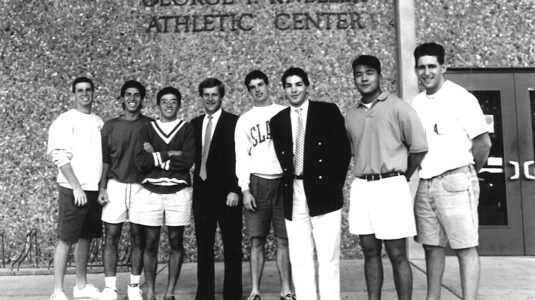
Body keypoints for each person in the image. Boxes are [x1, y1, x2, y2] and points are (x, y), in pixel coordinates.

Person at [412, 42, 492, 300]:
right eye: (421, 67)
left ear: (443, 67)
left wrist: (467, 172)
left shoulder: (461, 97)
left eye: (432, 66)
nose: (427, 72)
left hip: (456, 179)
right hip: (426, 183)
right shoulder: (417, 102)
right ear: (416, 70)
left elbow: (483, 143)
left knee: (465, 247)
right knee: (431, 247)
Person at [345, 55, 428, 300]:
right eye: (358, 74)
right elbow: (354, 151)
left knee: (397, 254)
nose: (364, 78)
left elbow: (419, 147)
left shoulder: (398, 107)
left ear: (380, 76)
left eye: (369, 72)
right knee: (369, 252)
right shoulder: (351, 115)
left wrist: (403, 176)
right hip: (362, 187)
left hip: (391, 185)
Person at [270, 67, 351, 300]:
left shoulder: (327, 111)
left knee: (328, 256)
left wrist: (334, 185)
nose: (294, 89)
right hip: (293, 192)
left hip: (324, 191)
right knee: (300, 256)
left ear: (307, 86)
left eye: (298, 84)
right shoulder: (277, 120)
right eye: (288, 85)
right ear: (284, 89)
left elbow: (343, 152)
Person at [235, 70, 294, 300]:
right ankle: (255, 291)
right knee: (256, 240)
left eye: (261, 84)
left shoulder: (283, 112)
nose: (258, 89)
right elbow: (241, 156)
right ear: (248, 91)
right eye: (252, 87)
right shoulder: (245, 120)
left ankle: (286, 289)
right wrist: (245, 188)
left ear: (268, 86)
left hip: (282, 181)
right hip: (258, 182)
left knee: (283, 239)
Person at [134, 86, 195, 300]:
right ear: (157, 105)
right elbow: (141, 162)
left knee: (176, 240)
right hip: (151, 192)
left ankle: (170, 292)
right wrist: (170, 154)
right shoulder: (148, 129)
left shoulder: (186, 129)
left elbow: (188, 160)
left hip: (178, 192)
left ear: (179, 104)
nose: (169, 105)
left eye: (173, 101)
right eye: (164, 101)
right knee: (150, 242)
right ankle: (150, 290)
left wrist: (158, 157)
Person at [47, 76, 104, 300]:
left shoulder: (99, 121)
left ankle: (81, 286)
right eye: (79, 90)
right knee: (66, 239)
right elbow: (59, 156)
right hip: (73, 190)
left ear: (93, 92)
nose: (84, 94)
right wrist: (76, 187)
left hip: (92, 189)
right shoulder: (65, 120)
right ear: (73, 94)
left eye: (88, 89)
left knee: (85, 238)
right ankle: (57, 291)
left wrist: (99, 188)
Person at [98, 80, 153, 300]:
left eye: (137, 95)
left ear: (142, 99)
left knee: (138, 237)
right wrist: (102, 187)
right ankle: (110, 288)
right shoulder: (110, 126)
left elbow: (156, 159)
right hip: (115, 186)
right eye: (128, 94)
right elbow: (104, 161)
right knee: (111, 236)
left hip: (141, 187)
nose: (132, 98)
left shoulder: (150, 125)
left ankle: (133, 285)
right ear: (122, 98)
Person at [191, 78, 243, 300]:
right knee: (204, 249)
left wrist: (236, 189)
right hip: (202, 195)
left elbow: (242, 158)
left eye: (214, 94)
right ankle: (205, 295)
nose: (210, 99)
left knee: (232, 248)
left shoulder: (235, 122)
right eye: (206, 94)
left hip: (227, 195)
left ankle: (232, 295)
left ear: (221, 97)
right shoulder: (194, 124)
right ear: (201, 97)